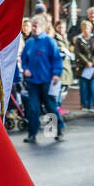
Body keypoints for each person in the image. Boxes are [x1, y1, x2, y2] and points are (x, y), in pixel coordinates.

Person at [20, 15, 65, 143]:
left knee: (50, 107)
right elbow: (24, 59)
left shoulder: (49, 42)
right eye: (32, 25)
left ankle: (59, 128)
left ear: (43, 27)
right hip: (33, 81)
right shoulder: (29, 43)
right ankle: (32, 133)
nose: (33, 28)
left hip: (46, 80)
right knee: (33, 108)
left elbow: (56, 59)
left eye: (36, 26)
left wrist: (56, 73)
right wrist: (25, 69)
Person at [72, 19, 94, 110]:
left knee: (92, 87)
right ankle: (83, 104)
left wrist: (92, 61)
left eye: (88, 28)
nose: (86, 29)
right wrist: (86, 62)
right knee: (83, 87)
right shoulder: (79, 40)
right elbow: (78, 52)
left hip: (92, 67)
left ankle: (90, 104)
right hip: (83, 67)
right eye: (84, 28)